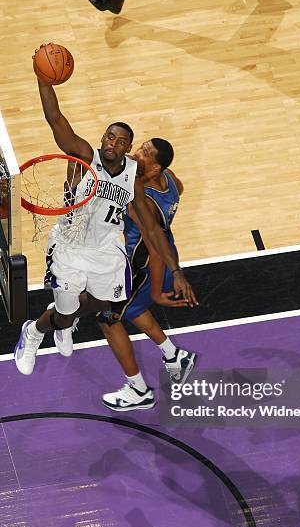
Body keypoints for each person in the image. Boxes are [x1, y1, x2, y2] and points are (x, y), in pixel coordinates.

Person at [14, 59, 197, 376]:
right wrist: (43, 79)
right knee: (67, 313)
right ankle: (34, 331)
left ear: (127, 148)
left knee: (101, 305)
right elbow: (55, 119)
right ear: (102, 139)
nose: (113, 142)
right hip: (70, 246)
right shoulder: (84, 155)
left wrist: (176, 270)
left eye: (121, 140)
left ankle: (62, 319)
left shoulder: (133, 181)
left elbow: (153, 233)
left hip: (106, 250)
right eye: (109, 136)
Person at [97, 139, 197, 411]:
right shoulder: (171, 180)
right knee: (133, 309)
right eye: (141, 148)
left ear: (155, 168)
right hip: (167, 255)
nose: (137, 154)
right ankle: (174, 356)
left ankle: (138, 390)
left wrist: (155, 289)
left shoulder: (142, 200)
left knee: (108, 318)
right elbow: (179, 192)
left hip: (147, 266)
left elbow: (153, 249)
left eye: (145, 154)